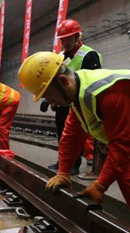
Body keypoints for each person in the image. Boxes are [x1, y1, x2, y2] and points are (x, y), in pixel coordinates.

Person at [18, 51, 130, 214]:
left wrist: (100, 185)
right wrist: (63, 173)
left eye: (49, 96)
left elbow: (121, 145)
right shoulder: (79, 94)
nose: (51, 103)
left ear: (63, 81)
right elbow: (71, 136)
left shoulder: (109, 95)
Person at [43, 19, 102, 175]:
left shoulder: (89, 55)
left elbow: (93, 81)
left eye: (68, 38)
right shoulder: (61, 56)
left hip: (79, 103)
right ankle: (64, 162)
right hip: (62, 103)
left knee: (74, 135)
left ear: (77, 36)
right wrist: (47, 99)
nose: (65, 42)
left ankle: (74, 164)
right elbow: (54, 78)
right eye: (63, 39)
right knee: (62, 133)